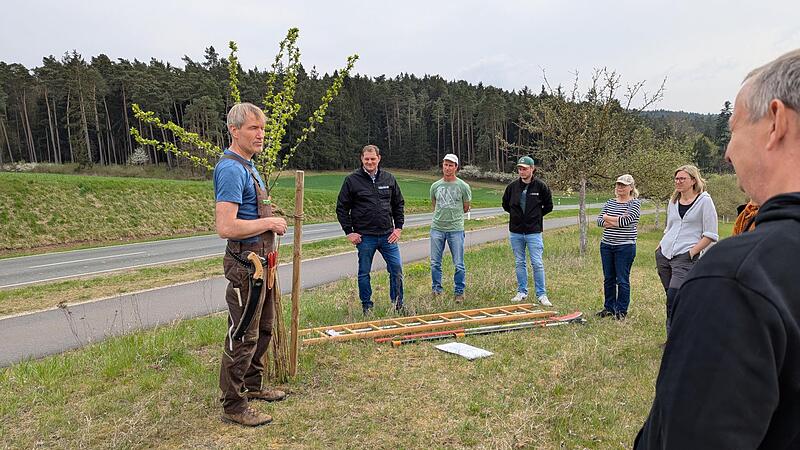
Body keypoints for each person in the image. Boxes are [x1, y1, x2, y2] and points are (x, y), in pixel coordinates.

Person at [636, 49, 800, 448]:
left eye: (733, 128)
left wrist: (698, 258)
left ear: (776, 121)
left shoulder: (737, 278)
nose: (727, 151)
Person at [214, 103, 288, 427]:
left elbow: (250, 215)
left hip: (263, 266)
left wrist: (269, 223)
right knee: (243, 334)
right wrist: (269, 221)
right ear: (234, 131)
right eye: (253, 129)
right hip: (246, 266)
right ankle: (234, 403)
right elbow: (226, 227)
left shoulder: (250, 166)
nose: (261, 135)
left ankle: (253, 387)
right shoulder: (231, 169)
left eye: (262, 129)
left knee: (264, 328)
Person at [336, 144, 405, 314]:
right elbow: (342, 208)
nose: (369, 162)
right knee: (364, 273)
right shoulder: (352, 180)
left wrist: (399, 228)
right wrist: (349, 231)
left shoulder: (389, 179)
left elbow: (398, 204)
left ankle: (397, 304)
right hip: (365, 237)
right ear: (362, 159)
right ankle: (367, 306)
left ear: (379, 158)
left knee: (396, 269)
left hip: (388, 235)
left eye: (373, 158)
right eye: (366, 159)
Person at [654, 164, 718, 335]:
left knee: (675, 297)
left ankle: (675, 338)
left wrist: (691, 253)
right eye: (676, 178)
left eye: (682, 178)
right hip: (664, 255)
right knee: (672, 297)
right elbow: (669, 227)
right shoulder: (673, 201)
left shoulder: (704, 201)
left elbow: (711, 234)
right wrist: (660, 246)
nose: (678, 181)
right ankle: (676, 336)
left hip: (686, 256)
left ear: (693, 180)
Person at [502, 156, 554, 306]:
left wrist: (535, 217)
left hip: (534, 232)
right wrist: (518, 218)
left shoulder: (541, 187)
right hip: (516, 231)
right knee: (519, 262)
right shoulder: (512, 187)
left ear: (532, 169)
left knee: (537, 263)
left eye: (525, 168)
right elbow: (506, 205)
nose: (522, 171)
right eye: (520, 168)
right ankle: (522, 291)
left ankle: (541, 294)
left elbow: (548, 206)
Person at [596, 174, 641, 320]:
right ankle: (609, 307)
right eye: (618, 185)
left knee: (622, 279)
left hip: (625, 247)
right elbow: (599, 221)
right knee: (608, 278)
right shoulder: (610, 202)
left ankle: (621, 310)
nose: (620, 187)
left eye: (623, 185)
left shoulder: (634, 204)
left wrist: (608, 218)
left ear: (631, 187)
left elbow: (627, 221)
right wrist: (615, 220)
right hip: (607, 245)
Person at [429, 153, 472, 303]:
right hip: (437, 228)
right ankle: (436, 290)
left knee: (459, 263)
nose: (447, 168)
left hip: (456, 229)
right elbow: (435, 205)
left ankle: (459, 292)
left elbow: (466, 207)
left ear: (456, 167)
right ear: (442, 166)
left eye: (451, 165)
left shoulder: (463, 186)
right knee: (435, 262)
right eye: (445, 164)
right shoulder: (435, 186)